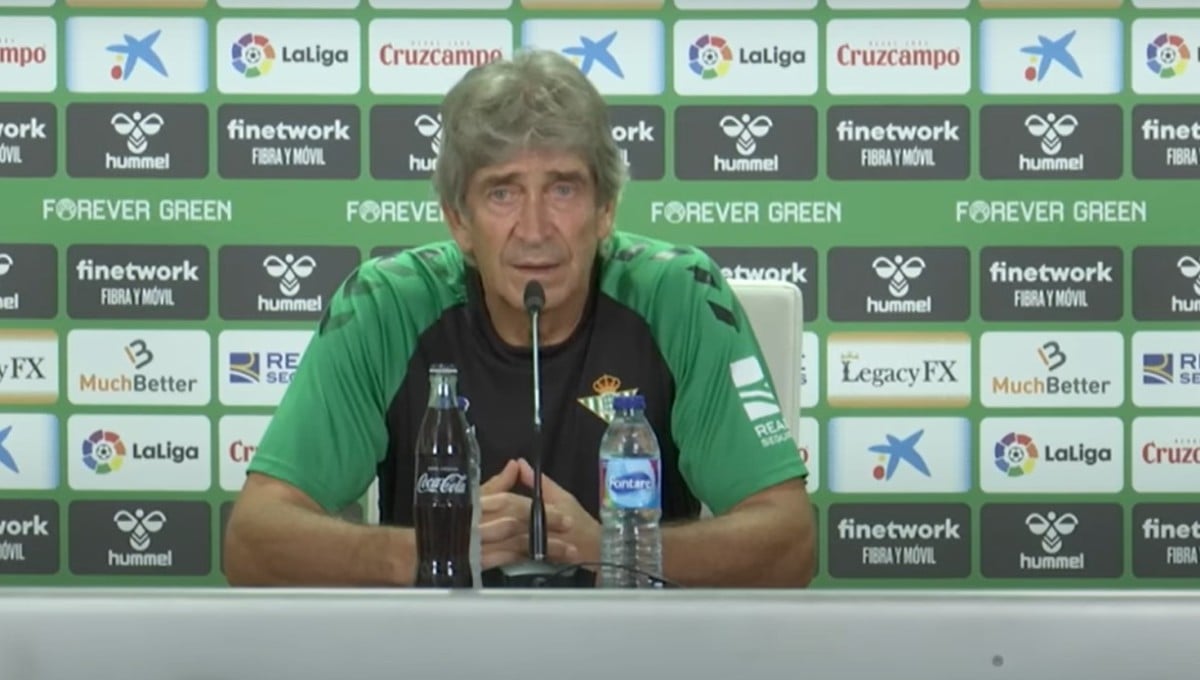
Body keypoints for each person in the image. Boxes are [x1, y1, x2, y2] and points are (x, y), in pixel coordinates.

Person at [222, 48, 816, 588]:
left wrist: (614, 550)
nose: (534, 231)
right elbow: (252, 542)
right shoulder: (386, 306)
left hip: (633, 652)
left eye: (563, 190)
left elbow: (790, 542)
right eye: (502, 193)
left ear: (605, 209)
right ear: (459, 221)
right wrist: (431, 550)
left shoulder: (677, 296)